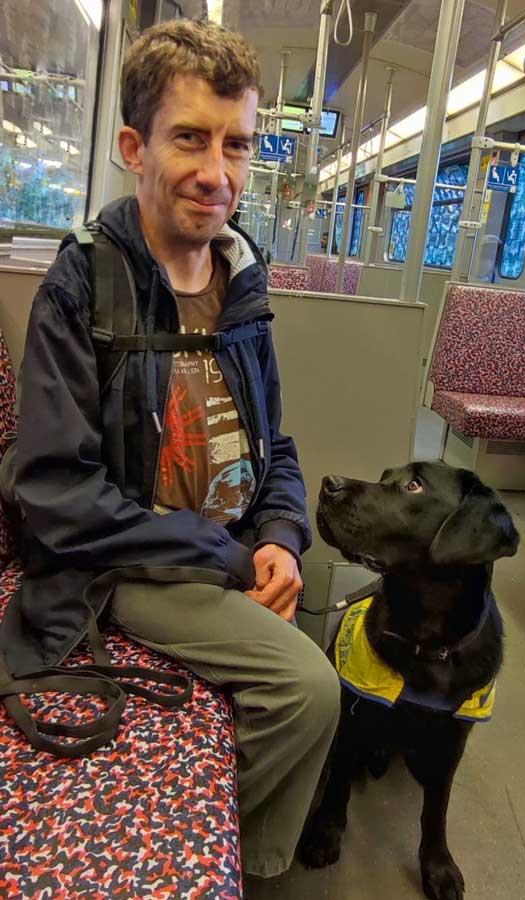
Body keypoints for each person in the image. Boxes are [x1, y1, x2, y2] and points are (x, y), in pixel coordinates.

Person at [0, 20, 340, 879]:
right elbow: (52, 491)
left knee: (327, 601)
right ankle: (243, 864)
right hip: (135, 561)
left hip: (225, 547)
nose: (217, 173)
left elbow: (275, 443)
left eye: (238, 145)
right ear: (131, 145)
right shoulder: (84, 284)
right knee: (308, 690)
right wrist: (222, 556)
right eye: (190, 137)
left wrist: (280, 534)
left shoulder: (241, 277)